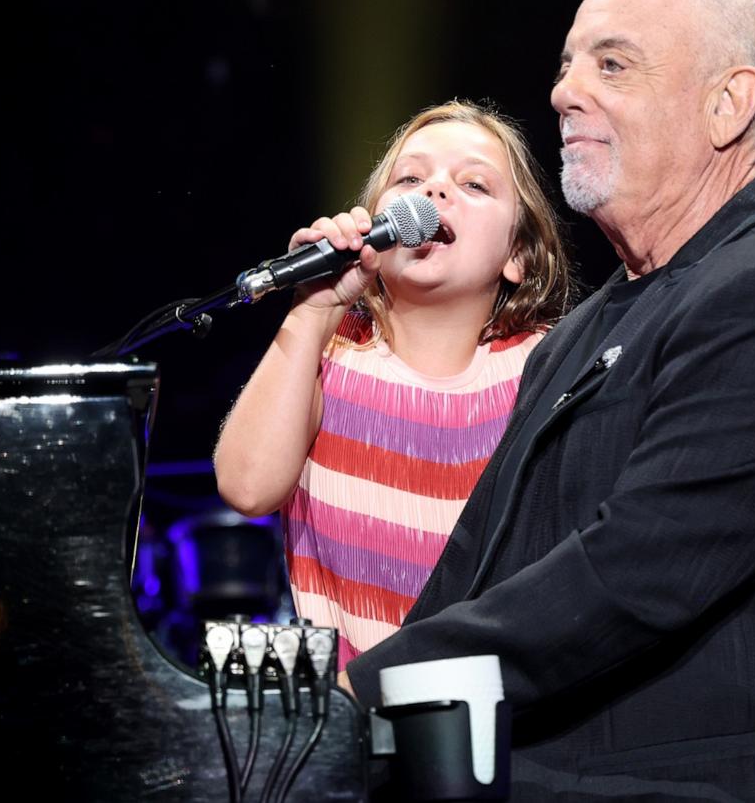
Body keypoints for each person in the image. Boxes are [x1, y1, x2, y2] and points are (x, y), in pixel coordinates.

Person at [342, 0, 755, 801]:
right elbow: (474, 575)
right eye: (567, 66)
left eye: (612, 65)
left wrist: (360, 695)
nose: (565, 93)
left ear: (729, 104)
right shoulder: (576, 339)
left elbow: (637, 574)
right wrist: (335, 716)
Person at [214, 100, 572, 668]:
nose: (433, 192)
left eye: (474, 184)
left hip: (502, 722)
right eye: (410, 178)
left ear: (519, 255)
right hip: (356, 722)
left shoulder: (546, 367)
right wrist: (312, 313)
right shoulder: (329, 357)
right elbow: (248, 487)